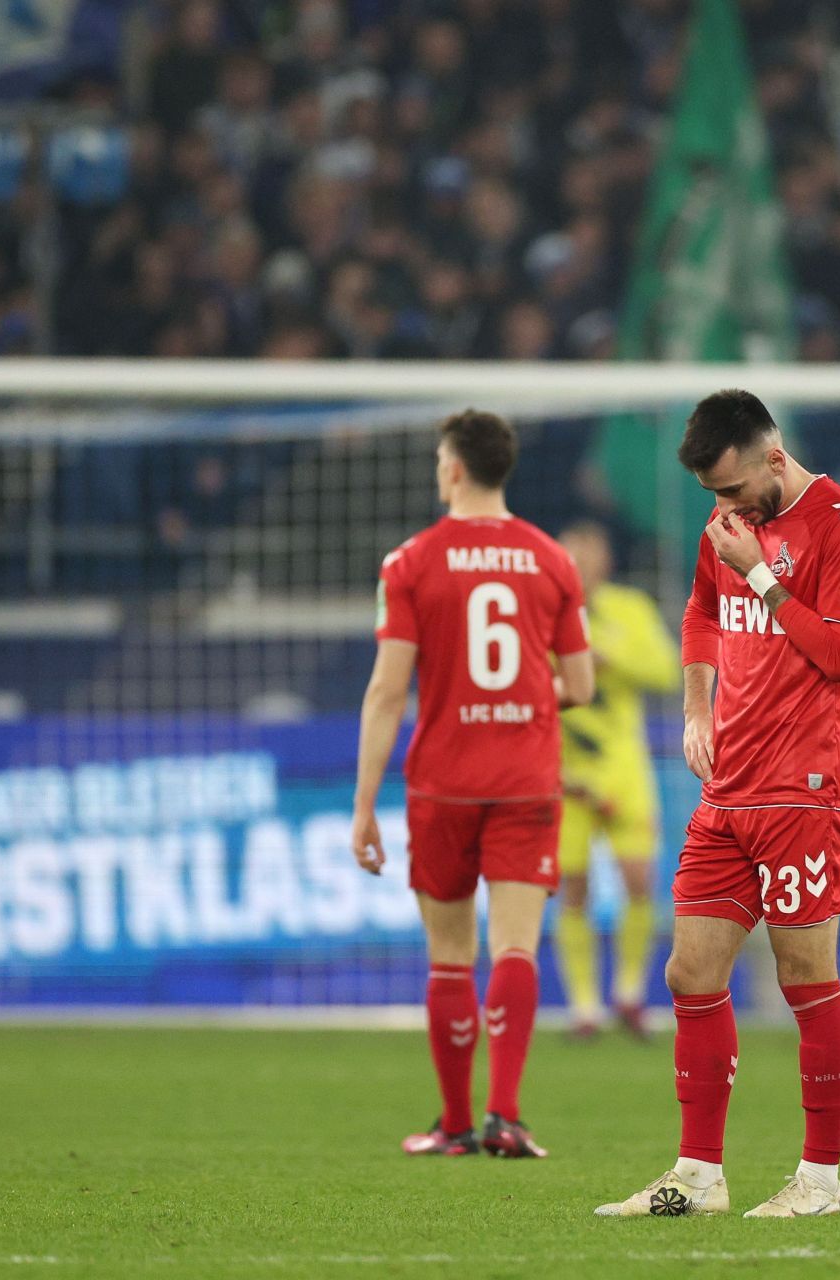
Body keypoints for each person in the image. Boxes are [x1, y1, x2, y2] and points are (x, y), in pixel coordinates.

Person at [596, 389, 840, 1219]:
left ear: (773, 454)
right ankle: (698, 1177)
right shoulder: (727, 529)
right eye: (713, 498)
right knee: (689, 970)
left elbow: (839, 653)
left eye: (732, 490)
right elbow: (699, 612)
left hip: (806, 788)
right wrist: (695, 706)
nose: (725, 511)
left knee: (805, 976)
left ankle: (820, 1181)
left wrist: (756, 572)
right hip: (729, 790)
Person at [351, 409, 595, 1157]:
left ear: (454, 468)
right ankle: (508, 1118)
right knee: (516, 949)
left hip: (444, 782)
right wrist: (523, 696)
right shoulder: (553, 559)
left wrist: (363, 807)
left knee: (451, 956)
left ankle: (455, 1126)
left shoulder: (411, 562)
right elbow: (580, 684)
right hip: (525, 777)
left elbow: (389, 693)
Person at [553, 521, 680, 1039]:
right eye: (573, 554)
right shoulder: (541, 614)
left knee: (639, 881)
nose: (583, 564)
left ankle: (628, 994)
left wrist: (611, 657)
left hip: (625, 769)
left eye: (591, 553)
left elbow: (668, 671)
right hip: (566, 774)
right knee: (574, 888)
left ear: (605, 560)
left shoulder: (630, 610)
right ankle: (584, 1008)